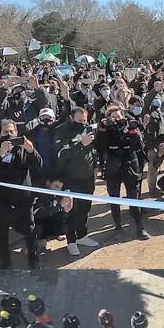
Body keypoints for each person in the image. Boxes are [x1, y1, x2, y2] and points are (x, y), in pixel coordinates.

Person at [0, 119, 42, 268]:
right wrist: (0, 153)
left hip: (23, 197)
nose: (9, 135)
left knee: (30, 230)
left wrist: (30, 150)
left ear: (17, 132)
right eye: (5, 132)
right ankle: (5, 263)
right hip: (2, 198)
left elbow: (39, 164)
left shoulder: (23, 147)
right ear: (0, 133)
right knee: (1, 231)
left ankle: (34, 263)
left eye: (11, 132)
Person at [96, 103, 149, 241]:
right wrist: (103, 129)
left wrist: (131, 130)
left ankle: (140, 227)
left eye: (118, 116)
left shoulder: (130, 126)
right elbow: (99, 146)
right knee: (114, 198)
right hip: (113, 165)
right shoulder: (105, 130)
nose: (116, 120)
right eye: (112, 117)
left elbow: (138, 145)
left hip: (130, 164)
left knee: (134, 198)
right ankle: (118, 227)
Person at [55, 110, 101, 256]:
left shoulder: (88, 129)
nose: (82, 123)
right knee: (71, 211)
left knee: (85, 209)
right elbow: (61, 154)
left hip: (87, 178)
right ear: (72, 118)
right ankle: (71, 241)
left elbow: (93, 151)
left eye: (85, 120)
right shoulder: (62, 130)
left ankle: (82, 236)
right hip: (71, 179)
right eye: (79, 120)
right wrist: (81, 143)